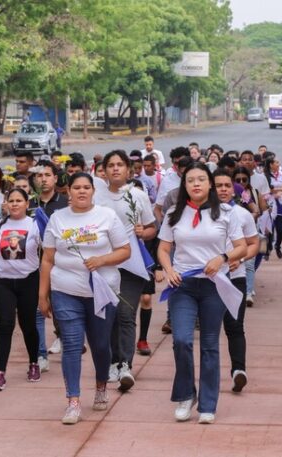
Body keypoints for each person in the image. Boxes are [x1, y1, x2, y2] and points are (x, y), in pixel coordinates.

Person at [158, 162, 247, 424]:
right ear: (184, 186)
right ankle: (186, 395)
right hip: (182, 285)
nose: (196, 184)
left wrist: (222, 257)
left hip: (214, 286)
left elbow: (241, 247)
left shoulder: (226, 213)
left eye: (201, 179)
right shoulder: (175, 212)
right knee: (182, 340)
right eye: (190, 180)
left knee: (209, 345)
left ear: (210, 184)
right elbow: (163, 248)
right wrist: (169, 268)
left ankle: (208, 404)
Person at [39, 172, 131, 424]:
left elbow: (125, 251)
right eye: (76, 187)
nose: (81, 192)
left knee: (101, 345)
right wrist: (42, 294)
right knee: (71, 344)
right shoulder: (57, 219)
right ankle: (73, 401)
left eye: (86, 188)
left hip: (102, 292)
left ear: (93, 191)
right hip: (65, 290)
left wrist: (102, 260)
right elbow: (47, 258)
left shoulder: (107, 216)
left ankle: (101, 386)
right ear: (68, 191)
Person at [94, 151, 157, 392]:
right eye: (111, 165)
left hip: (130, 263)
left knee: (126, 313)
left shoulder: (137, 196)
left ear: (129, 169)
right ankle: (111, 361)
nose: (116, 169)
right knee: (108, 314)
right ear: (104, 170)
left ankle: (125, 365)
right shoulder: (96, 195)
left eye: (120, 165)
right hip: (103, 262)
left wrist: (144, 232)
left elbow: (152, 228)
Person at [0, 188, 42, 390]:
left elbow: (46, 256)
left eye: (19, 200)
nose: (15, 204)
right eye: (11, 200)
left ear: (27, 204)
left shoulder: (35, 225)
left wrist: (44, 288)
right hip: (3, 281)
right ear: (6, 203)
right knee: (5, 325)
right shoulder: (0, 225)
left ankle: (34, 363)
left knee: (28, 324)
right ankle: (0, 373)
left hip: (29, 280)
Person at [214, 170, 259, 393]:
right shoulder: (203, 214)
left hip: (235, 277)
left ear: (234, 190)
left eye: (226, 186)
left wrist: (239, 258)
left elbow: (254, 244)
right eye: (218, 185)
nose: (223, 189)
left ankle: (238, 371)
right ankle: (210, 373)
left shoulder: (242, 214)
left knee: (234, 326)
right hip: (208, 280)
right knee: (210, 329)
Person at [29, 162, 70, 356]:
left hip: (59, 263)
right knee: (36, 307)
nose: (43, 179)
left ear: (55, 178)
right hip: (30, 264)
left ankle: (64, 336)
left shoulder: (65, 204)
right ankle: (39, 354)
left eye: (47, 175)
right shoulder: (27, 204)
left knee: (59, 306)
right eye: (39, 175)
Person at [232, 167, 266, 308]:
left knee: (249, 263)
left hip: (246, 231)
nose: (223, 189)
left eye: (243, 180)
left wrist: (249, 217)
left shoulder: (241, 191)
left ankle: (248, 293)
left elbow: (255, 209)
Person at [154, 147, 190, 222]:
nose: (179, 166)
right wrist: (163, 225)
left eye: (182, 162)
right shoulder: (166, 180)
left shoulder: (199, 179)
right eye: (176, 163)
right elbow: (158, 208)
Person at [264, 158, 282, 259]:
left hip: (279, 204)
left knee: (280, 229)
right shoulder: (265, 176)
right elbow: (268, 189)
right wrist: (281, 190)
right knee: (269, 228)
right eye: (277, 162)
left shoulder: (281, 174)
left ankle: (277, 246)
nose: (279, 164)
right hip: (269, 203)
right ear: (271, 165)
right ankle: (267, 249)